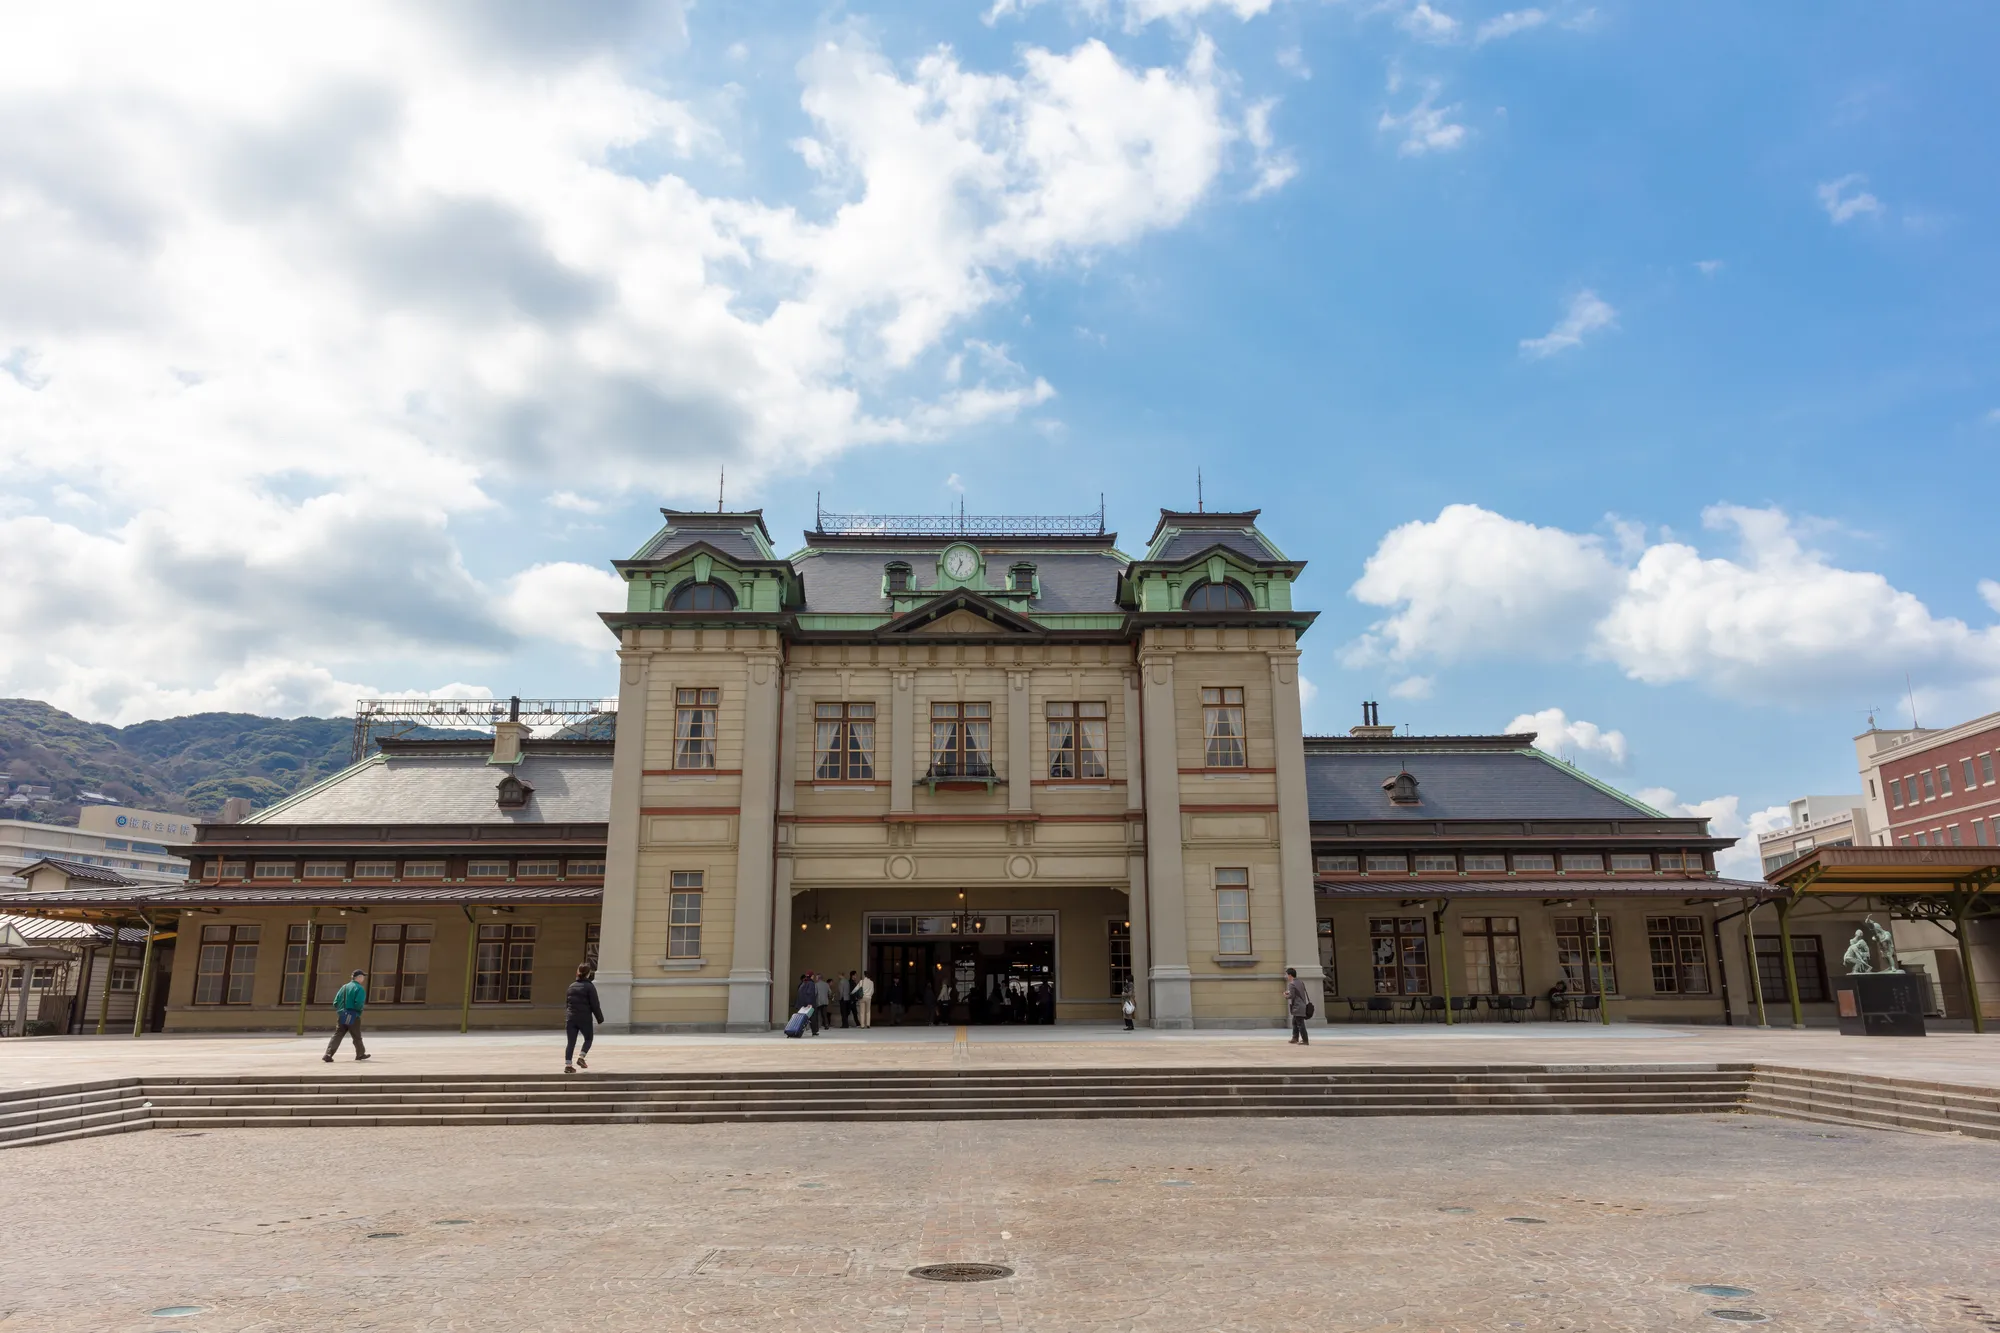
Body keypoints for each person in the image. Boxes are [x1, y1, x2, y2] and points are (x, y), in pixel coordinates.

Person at [323, 969, 371, 1062]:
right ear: (359, 977)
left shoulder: (344, 987)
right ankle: (360, 1054)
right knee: (356, 1036)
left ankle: (328, 1054)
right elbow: (359, 1003)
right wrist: (358, 1011)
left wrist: (341, 1010)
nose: (363, 979)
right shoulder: (359, 988)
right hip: (353, 1014)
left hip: (342, 1014)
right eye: (363, 977)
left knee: (338, 1035)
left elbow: (335, 1002)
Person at [565, 963, 604, 1074]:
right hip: (584, 1018)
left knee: (570, 1042)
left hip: (571, 1017)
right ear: (588, 974)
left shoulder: (571, 986)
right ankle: (581, 1057)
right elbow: (595, 1004)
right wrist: (599, 1018)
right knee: (588, 1038)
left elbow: (567, 1003)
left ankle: (568, 1065)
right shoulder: (590, 987)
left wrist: (568, 1015)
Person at [1284, 967, 1312, 1045]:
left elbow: (1292, 996)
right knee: (1295, 1022)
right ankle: (1295, 1038)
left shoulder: (1291, 984)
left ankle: (1305, 1040)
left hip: (1297, 1006)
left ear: (1290, 975)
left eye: (1287, 975)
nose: (1287, 977)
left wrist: (1286, 995)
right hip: (1302, 1005)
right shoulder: (1300, 982)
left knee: (1300, 1024)